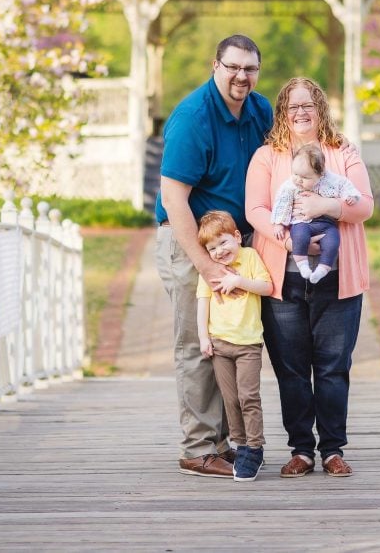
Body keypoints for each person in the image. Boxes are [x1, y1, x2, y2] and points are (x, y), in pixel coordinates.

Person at [154, 34, 273, 478]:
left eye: (250, 68)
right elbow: (174, 199)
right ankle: (199, 448)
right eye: (233, 67)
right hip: (190, 243)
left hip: (236, 244)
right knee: (198, 343)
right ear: (215, 65)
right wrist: (207, 267)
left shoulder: (260, 109)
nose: (242, 76)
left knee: (232, 340)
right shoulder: (193, 118)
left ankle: (228, 444)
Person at [246, 76, 373, 478]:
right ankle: (301, 449)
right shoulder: (267, 156)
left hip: (339, 279)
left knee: (334, 367)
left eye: (308, 105)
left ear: (320, 108)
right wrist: (290, 244)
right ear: (283, 112)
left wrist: (327, 205)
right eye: (292, 106)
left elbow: (364, 206)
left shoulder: (342, 152)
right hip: (284, 278)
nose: (301, 112)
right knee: (292, 369)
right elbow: (257, 210)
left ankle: (333, 449)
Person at [195, 210, 272, 482]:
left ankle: (255, 447)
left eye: (224, 242)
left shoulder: (249, 257)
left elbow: (267, 286)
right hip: (220, 344)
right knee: (230, 399)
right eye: (212, 248)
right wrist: (204, 338)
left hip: (248, 343)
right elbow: (202, 303)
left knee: (248, 397)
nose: (219, 251)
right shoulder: (209, 270)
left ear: (237, 237)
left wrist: (240, 281)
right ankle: (240, 446)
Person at [270, 143, 361, 284]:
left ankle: (322, 269)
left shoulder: (331, 180)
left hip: (326, 224)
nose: (298, 180)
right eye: (295, 174)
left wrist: (351, 196)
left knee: (333, 242)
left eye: (305, 177)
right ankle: (303, 265)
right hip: (301, 222)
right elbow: (282, 202)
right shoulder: (290, 185)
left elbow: (345, 185)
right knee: (299, 237)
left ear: (321, 174)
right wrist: (279, 224)